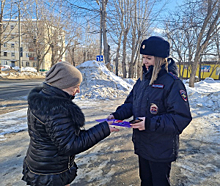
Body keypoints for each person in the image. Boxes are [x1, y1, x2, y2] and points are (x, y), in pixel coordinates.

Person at [107, 36, 192, 186]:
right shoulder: (142, 81)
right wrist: (116, 115)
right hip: (143, 145)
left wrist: (149, 123)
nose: (145, 62)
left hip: (161, 148)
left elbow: (181, 118)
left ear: (160, 59)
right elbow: (130, 104)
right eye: (144, 58)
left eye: (149, 58)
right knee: (145, 181)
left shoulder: (173, 83)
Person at [22, 61, 119, 186]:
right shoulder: (56, 110)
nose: (78, 91)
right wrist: (105, 128)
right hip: (51, 172)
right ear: (63, 84)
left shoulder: (41, 98)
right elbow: (71, 145)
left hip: (38, 163)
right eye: (75, 86)